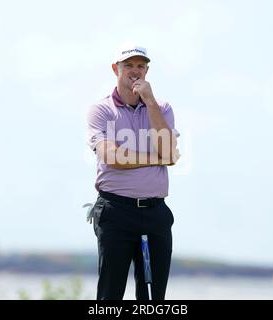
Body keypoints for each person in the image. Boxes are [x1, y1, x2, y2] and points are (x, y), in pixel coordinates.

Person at [86, 43, 180, 300]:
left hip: (155, 212)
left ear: (147, 71)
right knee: (110, 296)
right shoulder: (102, 110)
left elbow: (169, 150)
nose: (135, 71)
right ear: (116, 69)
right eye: (128, 66)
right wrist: (157, 159)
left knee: (152, 298)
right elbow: (112, 157)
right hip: (116, 212)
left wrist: (150, 103)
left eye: (140, 66)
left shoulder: (161, 108)